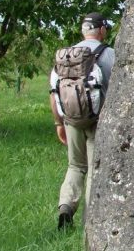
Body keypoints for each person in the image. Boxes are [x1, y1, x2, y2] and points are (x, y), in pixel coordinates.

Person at [49, 12, 115, 230]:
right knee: (95, 168)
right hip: (99, 121)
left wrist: (59, 123)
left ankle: (66, 206)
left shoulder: (65, 57)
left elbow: (54, 92)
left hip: (72, 121)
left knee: (76, 165)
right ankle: (90, 221)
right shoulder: (110, 55)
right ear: (102, 29)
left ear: (83, 30)